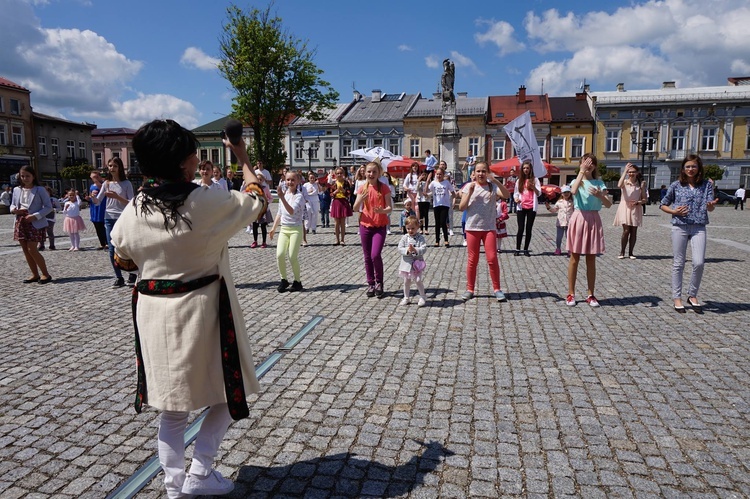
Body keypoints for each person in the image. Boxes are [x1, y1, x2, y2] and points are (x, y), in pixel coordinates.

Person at [110, 118, 267, 498]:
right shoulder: (206, 200)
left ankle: (174, 487)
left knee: (172, 408)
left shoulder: (134, 210)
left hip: (154, 314)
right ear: (184, 161)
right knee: (231, 394)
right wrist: (242, 155)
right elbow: (257, 200)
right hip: (204, 310)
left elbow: (124, 259)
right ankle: (200, 471)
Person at [660, 155, 716, 313]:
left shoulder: (706, 185)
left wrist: (711, 205)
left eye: (694, 166)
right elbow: (663, 204)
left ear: (699, 168)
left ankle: (692, 295)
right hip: (680, 226)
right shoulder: (676, 185)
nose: (691, 169)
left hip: (699, 226)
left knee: (699, 262)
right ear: (683, 169)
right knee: (679, 263)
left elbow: (709, 207)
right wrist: (674, 211)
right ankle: (676, 298)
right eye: (688, 166)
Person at [458, 162, 510, 301]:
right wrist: (469, 192)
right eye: (478, 171)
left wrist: (496, 181)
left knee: (492, 258)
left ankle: (497, 289)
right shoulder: (469, 186)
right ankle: (470, 289)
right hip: (472, 228)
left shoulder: (492, 187)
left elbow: (506, 194)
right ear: (473, 173)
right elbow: (461, 207)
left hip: (489, 228)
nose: (481, 174)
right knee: (472, 260)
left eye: (483, 171)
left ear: (487, 172)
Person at [566, 154, 612, 307]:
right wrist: (581, 171)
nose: (588, 165)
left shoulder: (599, 183)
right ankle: (571, 293)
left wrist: (600, 195)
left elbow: (608, 204)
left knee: (591, 259)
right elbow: (572, 191)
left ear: (595, 166)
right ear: (581, 164)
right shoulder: (577, 181)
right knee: (574, 257)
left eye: (591, 163)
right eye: (585, 162)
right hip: (579, 218)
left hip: (593, 219)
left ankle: (591, 294)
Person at [353, 161, 393, 298]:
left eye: (374, 172)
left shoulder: (384, 188)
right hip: (365, 225)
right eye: (369, 171)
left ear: (379, 173)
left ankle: (379, 282)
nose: (371, 174)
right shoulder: (362, 188)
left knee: (375, 254)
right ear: (365, 173)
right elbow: (354, 208)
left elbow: (390, 208)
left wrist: (382, 210)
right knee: (367, 257)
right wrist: (360, 200)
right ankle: (370, 283)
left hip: (379, 226)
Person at [94, 157, 135, 287]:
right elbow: (98, 201)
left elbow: (132, 202)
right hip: (109, 218)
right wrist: (93, 198)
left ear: (120, 168)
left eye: (115, 166)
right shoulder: (106, 183)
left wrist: (117, 197)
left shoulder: (126, 183)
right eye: (110, 166)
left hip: (123, 217)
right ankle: (118, 276)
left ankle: (132, 272)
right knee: (111, 248)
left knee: (125, 246)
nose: (112, 168)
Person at [10, 165, 53, 284]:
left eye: (27, 176)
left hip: (34, 221)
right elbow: (12, 204)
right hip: (21, 220)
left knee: (32, 249)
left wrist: (36, 216)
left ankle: (45, 274)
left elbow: (48, 207)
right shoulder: (17, 189)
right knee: (25, 249)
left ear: (33, 176)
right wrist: (14, 210)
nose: (25, 178)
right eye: (22, 176)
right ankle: (34, 274)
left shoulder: (40, 190)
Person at [269, 171, 305, 292]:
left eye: (293, 180)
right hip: (284, 229)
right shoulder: (284, 195)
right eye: (288, 180)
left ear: (298, 181)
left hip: (295, 229)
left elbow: (291, 211)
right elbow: (280, 213)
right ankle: (283, 279)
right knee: (279, 255)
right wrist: (274, 228)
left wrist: (282, 197)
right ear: (285, 180)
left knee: (292, 256)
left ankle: (297, 281)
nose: (290, 182)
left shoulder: (299, 196)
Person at [613, 163, 647, 259]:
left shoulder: (640, 184)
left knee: (634, 231)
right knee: (626, 230)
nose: (631, 173)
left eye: (633, 172)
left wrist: (638, 202)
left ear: (637, 173)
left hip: (635, 208)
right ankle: (622, 252)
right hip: (625, 207)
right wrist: (624, 171)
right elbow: (619, 185)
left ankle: (631, 252)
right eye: (629, 172)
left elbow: (645, 199)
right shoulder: (624, 182)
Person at [398, 216, 428, 307]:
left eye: (413, 228)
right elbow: (399, 248)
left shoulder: (420, 238)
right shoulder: (404, 237)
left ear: (417, 227)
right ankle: (406, 297)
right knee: (406, 281)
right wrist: (407, 250)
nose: (410, 230)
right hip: (407, 264)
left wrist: (415, 250)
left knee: (418, 280)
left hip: (417, 264)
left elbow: (424, 248)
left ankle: (422, 296)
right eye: (408, 228)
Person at [514, 160, 541, 256]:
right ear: (522, 169)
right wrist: (516, 198)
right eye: (524, 168)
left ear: (530, 169)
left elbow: (539, 194)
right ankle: (517, 249)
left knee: (528, 229)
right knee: (520, 228)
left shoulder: (535, 179)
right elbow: (516, 193)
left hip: (531, 207)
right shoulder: (519, 180)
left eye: (527, 168)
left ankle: (525, 249)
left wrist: (534, 187)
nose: (526, 170)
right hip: (521, 207)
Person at [424, 167, 455, 247]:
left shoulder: (446, 183)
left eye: (440, 174)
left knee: (443, 222)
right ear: (435, 174)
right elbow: (427, 190)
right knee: (437, 223)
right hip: (436, 204)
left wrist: (453, 200)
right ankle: (437, 240)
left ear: (443, 175)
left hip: (445, 204)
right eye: (437, 174)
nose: (439, 175)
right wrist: (427, 180)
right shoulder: (434, 183)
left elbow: (452, 192)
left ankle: (446, 240)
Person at [545, 185, 574, 255]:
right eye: (564, 192)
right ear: (562, 194)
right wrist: (548, 207)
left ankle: (570, 249)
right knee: (559, 237)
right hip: (560, 222)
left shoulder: (573, 202)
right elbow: (554, 210)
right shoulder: (559, 202)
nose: (566, 194)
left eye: (568, 192)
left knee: (569, 238)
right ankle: (558, 248)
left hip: (569, 222)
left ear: (570, 193)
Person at [329, 167, 352, 245]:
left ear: (343, 174)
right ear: (335, 175)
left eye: (341, 173)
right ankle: (337, 239)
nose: (339, 175)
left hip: (343, 202)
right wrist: (336, 191)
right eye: (338, 173)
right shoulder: (334, 183)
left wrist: (343, 191)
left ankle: (342, 239)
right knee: (336, 222)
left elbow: (349, 193)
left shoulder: (346, 183)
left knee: (342, 222)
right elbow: (331, 194)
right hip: (336, 202)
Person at [249, 174, 273, 248]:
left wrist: (267, 202)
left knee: (263, 226)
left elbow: (270, 198)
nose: (259, 181)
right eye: (257, 179)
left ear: (262, 180)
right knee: (255, 226)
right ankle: (255, 241)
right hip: (255, 210)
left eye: (260, 179)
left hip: (263, 210)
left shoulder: (265, 188)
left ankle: (264, 242)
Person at [88, 170, 109, 249]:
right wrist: (89, 197)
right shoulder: (91, 186)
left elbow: (102, 189)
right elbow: (91, 195)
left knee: (103, 225)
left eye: (96, 177)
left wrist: (97, 182)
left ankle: (107, 242)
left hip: (102, 206)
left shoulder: (103, 184)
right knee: (97, 225)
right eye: (93, 177)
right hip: (94, 207)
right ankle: (102, 243)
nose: (94, 179)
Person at [38, 185, 60, 251]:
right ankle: (41, 245)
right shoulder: (40, 200)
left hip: (50, 218)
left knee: (49, 232)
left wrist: (54, 209)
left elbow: (59, 208)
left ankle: (52, 245)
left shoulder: (54, 200)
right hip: (42, 218)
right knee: (41, 232)